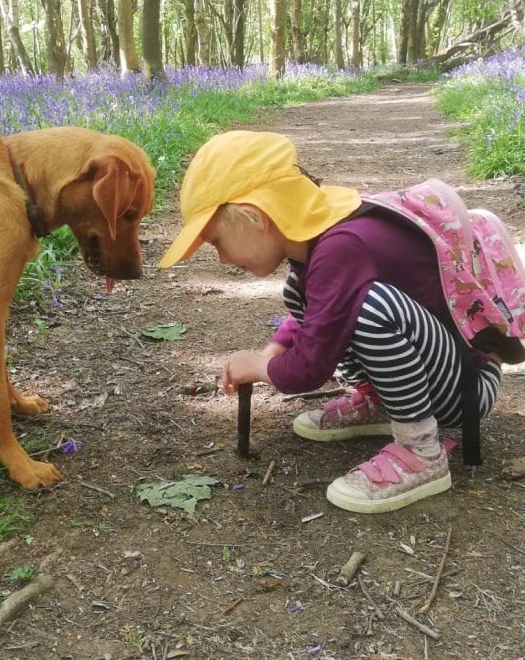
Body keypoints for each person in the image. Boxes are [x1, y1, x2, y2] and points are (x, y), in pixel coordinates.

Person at [159, 131, 503, 514]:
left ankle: (421, 451)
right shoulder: (321, 238)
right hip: (436, 373)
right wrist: (273, 349)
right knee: (299, 290)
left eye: (217, 243)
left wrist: (258, 367)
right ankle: (381, 403)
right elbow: (323, 310)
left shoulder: (341, 247)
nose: (222, 259)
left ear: (256, 219)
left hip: (464, 392)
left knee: (374, 309)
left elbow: (307, 371)